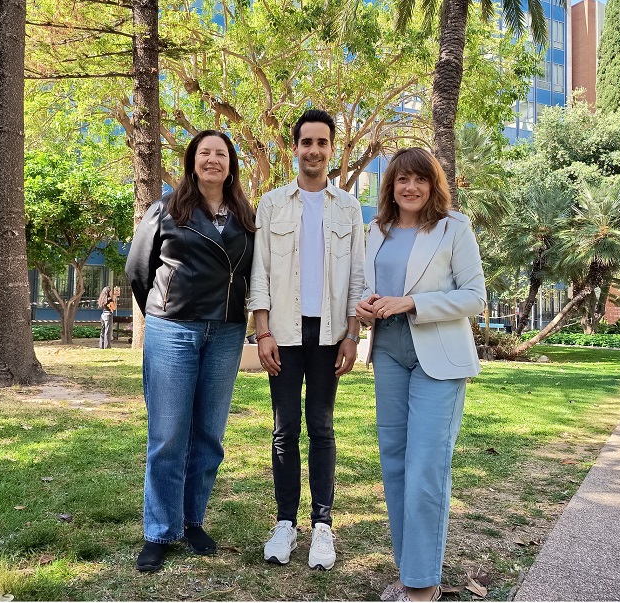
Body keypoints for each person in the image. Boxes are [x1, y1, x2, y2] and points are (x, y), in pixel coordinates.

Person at [355, 148, 486, 602]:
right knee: (394, 463)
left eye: (420, 180)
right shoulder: (375, 232)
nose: (410, 188)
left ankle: (423, 584)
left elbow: (475, 297)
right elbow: (363, 286)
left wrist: (414, 303)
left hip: (440, 359)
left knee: (427, 467)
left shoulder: (455, 228)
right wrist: (364, 305)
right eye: (401, 180)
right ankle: (409, 569)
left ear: (433, 185)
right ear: (390, 186)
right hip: (388, 353)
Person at [125, 130, 256, 572]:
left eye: (221, 153)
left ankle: (192, 520)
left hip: (226, 332)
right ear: (192, 161)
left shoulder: (244, 214)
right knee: (168, 435)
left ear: (231, 163)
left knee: (209, 434)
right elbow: (138, 270)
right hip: (172, 329)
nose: (213, 160)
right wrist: (162, 314)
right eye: (205, 153)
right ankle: (160, 532)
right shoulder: (165, 208)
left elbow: (251, 272)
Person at [249, 109, 365, 571]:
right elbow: (259, 271)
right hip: (284, 331)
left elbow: (357, 275)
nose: (314, 150)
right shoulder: (272, 204)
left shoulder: (349, 208)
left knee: (321, 426)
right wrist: (263, 331)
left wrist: (353, 334)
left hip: (330, 332)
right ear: (294, 148)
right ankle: (284, 523)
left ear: (332, 149)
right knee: (283, 429)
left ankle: (321, 525)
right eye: (306, 142)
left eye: (322, 142)